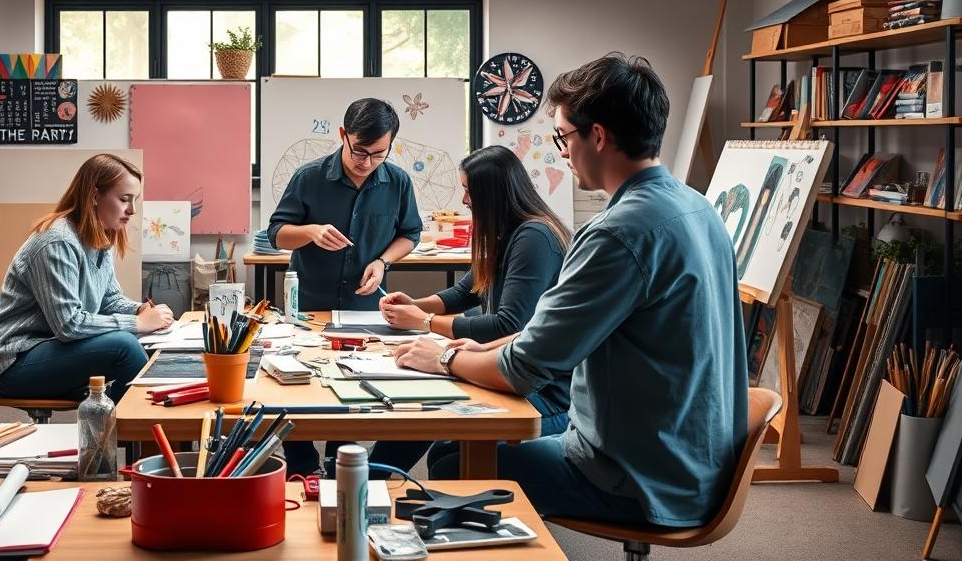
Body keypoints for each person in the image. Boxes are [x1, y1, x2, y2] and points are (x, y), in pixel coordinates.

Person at [394, 54, 746, 528]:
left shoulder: (616, 233)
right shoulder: (699, 209)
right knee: (459, 448)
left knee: (451, 461)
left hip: (641, 478)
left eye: (562, 137)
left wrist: (441, 358)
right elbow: (550, 335)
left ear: (597, 136)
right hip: (696, 462)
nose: (561, 151)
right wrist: (476, 345)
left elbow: (523, 370)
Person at [370, 145, 573, 476]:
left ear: (493, 193)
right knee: (426, 411)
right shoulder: (503, 232)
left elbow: (508, 323)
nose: (464, 201)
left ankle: (367, 481)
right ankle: (366, 481)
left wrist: (423, 321)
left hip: (541, 391)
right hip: (500, 367)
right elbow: (464, 292)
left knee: (443, 444)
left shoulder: (534, 236)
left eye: (469, 191)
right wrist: (413, 305)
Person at [267, 97, 424, 474]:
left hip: (362, 307)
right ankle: (302, 467)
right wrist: (311, 231)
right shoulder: (309, 177)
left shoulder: (397, 181)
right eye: (359, 151)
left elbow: (411, 233)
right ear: (343, 135)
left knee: (353, 387)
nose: (366, 162)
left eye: (378, 154)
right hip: (308, 305)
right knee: (297, 386)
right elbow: (276, 234)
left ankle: (340, 463)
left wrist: (383, 261)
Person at [0, 153, 175, 405]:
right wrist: (137, 323)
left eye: (134, 200)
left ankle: (130, 434)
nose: (132, 210)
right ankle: (104, 435)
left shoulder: (99, 236)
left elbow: (109, 299)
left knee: (149, 347)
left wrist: (141, 310)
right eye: (124, 199)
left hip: (47, 347)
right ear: (94, 196)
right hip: (14, 361)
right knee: (125, 346)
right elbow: (69, 324)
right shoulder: (57, 241)